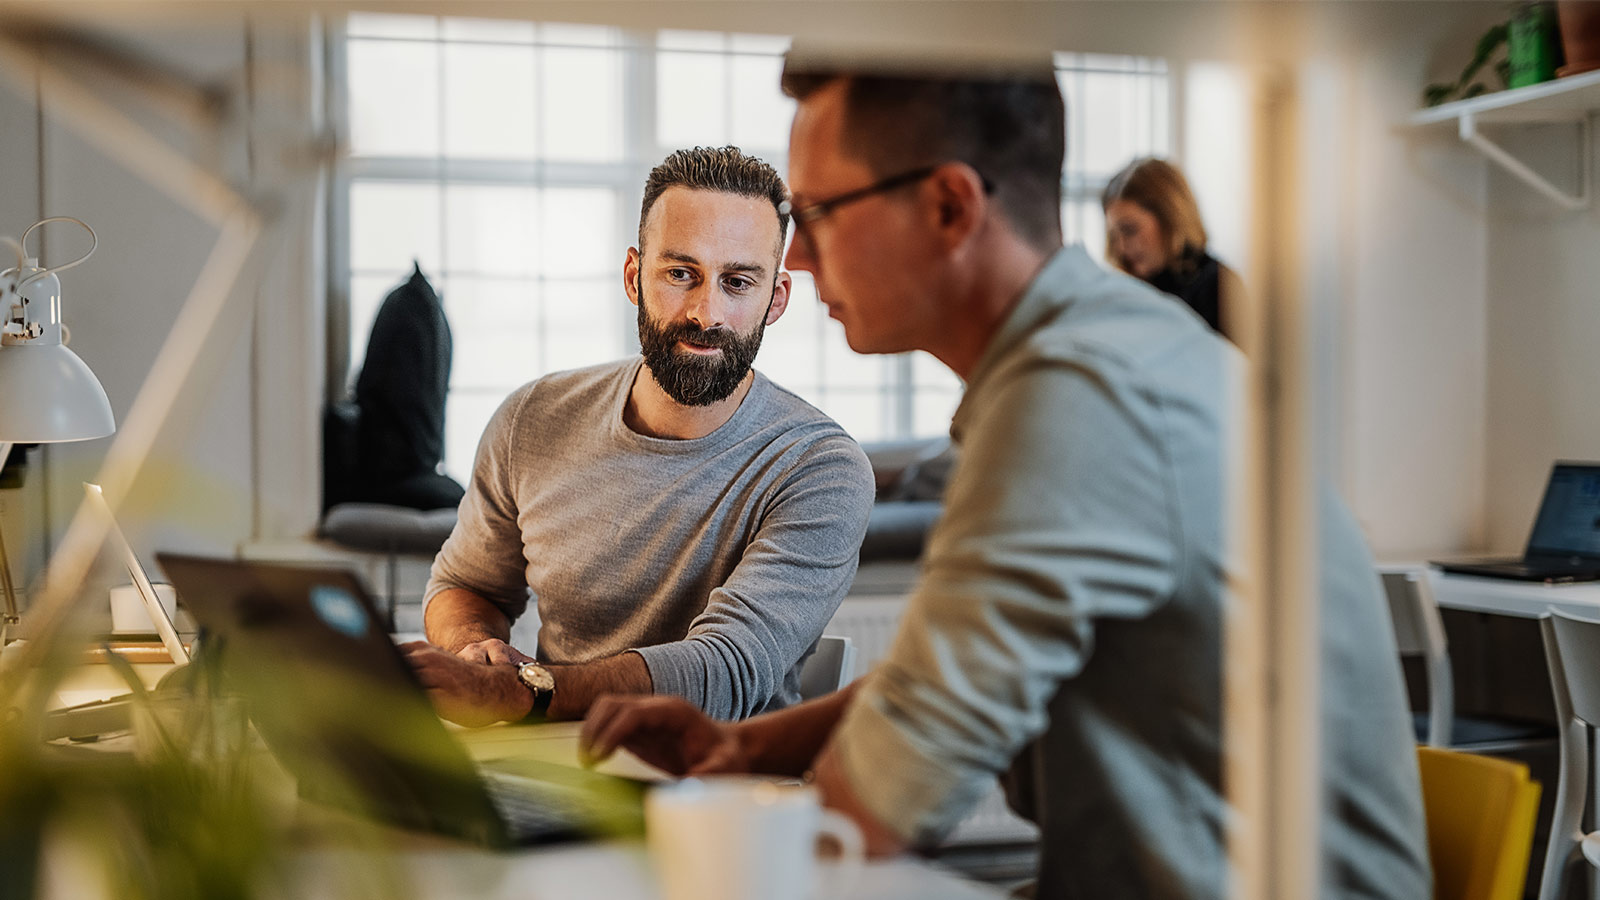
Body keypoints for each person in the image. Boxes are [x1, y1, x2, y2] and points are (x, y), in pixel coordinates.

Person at [580, 58, 1430, 900]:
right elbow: (937, 679)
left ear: (951, 206)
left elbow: (873, 812)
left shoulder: (1078, 399)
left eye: (820, 214)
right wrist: (743, 751)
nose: (793, 263)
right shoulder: (1103, 345)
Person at [401, 146, 875, 728]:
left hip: (721, 787)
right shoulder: (533, 419)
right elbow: (466, 585)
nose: (706, 312)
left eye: (738, 282)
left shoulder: (821, 468)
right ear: (633, 276)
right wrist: (474, 650)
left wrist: (518, 693)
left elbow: (723, 671)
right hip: (549, 764)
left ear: (775, 299)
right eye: (681, 274)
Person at [1101, 156, 1253, 353]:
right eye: (1114, 236)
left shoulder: (1219, 286)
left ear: (1169, 219)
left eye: (1129, 230)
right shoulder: (1127, 290)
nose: (1121, 247)